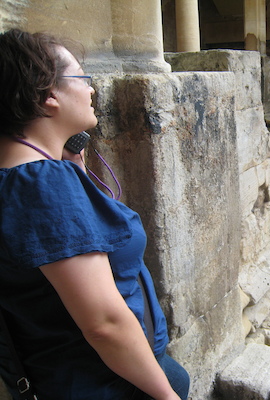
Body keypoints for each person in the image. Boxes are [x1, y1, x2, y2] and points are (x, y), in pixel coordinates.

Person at [0, 29, 189, 400]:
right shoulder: (42, 185)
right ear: (49, 95)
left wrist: (72, 165)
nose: (91, 90)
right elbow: (104, 323)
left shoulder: (30, 176)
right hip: (105, 384)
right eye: (83, 79)